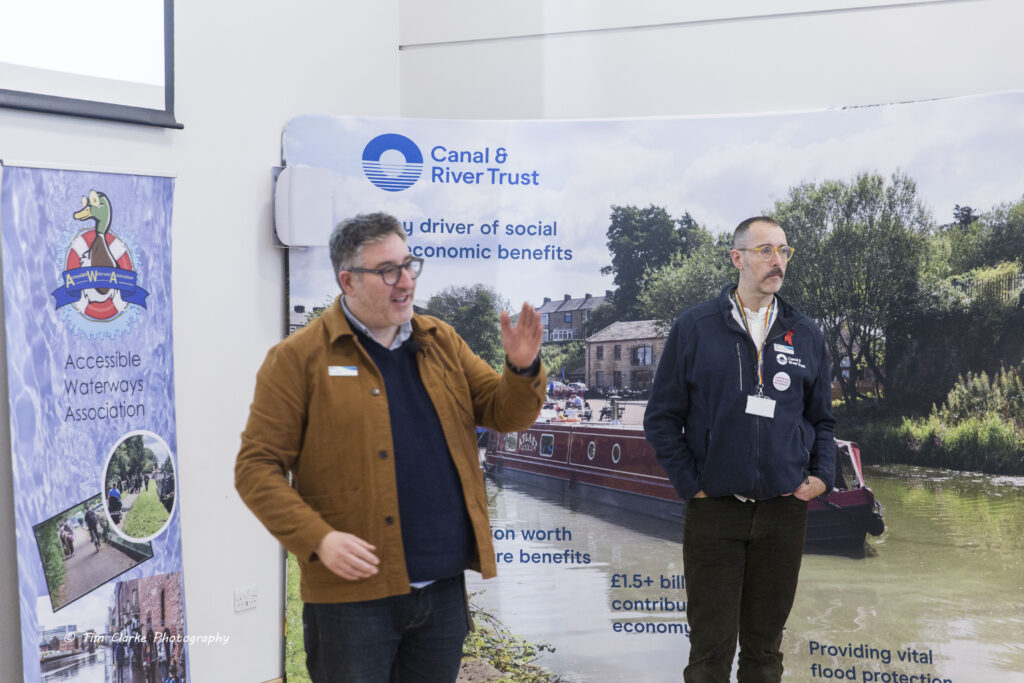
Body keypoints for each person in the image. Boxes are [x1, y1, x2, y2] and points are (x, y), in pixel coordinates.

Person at [235, 212, 545, 683]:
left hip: (440, 592)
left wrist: (522, 369)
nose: (405, 282)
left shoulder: (441, 341)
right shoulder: (297, 360)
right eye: (387, 271)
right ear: (348, 280)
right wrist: (318, 538)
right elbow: (256, 469)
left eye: (409, 265)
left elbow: (506, 414)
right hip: (351, 602)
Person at [643, 216, 835, 682]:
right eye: (765, 250)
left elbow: (822, 420)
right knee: (710, 654)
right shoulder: (695, 327)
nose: (778, 261)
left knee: (765, 654)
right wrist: (693, 484)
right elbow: (661, 418)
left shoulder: (806, 333)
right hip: (715, 511)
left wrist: (821, 477)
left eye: (784, 251)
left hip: (784, 512)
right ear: (737, 258)